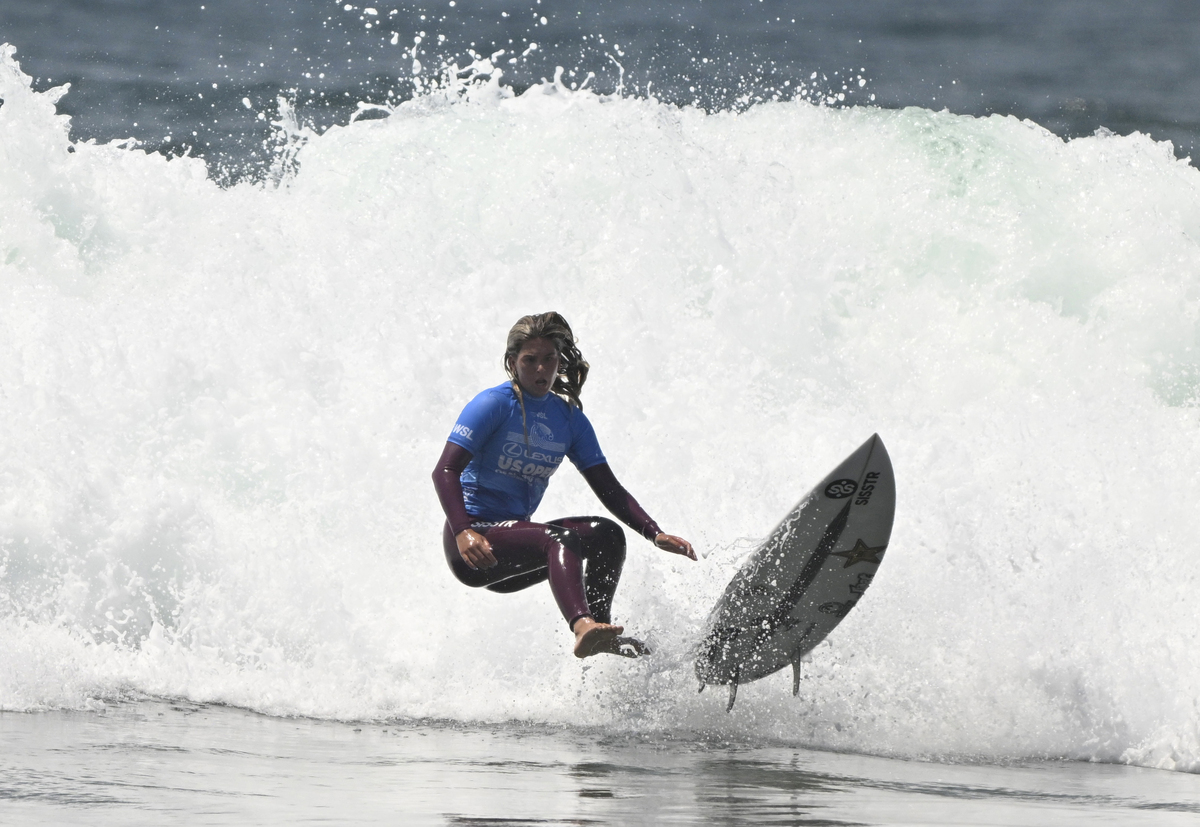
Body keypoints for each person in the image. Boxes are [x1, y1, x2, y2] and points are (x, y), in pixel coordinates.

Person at [432, 312, 696, 659]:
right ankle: (582, 625)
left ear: (560, 362)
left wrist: (653, 532)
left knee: (606, 534)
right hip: (473, 545)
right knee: (560, 538)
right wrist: (463, 531)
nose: (541, 369)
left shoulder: (569, 420)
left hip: (516, 548)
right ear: (512, 363)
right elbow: (445, 470)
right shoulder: (493, 404)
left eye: (549, 359)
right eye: (530, 360)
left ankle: (600, 631)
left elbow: (608, 487)